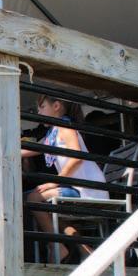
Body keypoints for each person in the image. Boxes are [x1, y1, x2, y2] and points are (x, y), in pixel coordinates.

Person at [21, 96, 107, 263]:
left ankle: (57, 247)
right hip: (79, 187)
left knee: (33, 198)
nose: (39, 112)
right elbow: (31, 150)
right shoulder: (53, 134)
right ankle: (84, 251)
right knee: (40, 204)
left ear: (56, 106)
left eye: (42, 107)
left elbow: (77, 157)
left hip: (88, 189)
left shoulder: (65, 128)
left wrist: (55, 182)